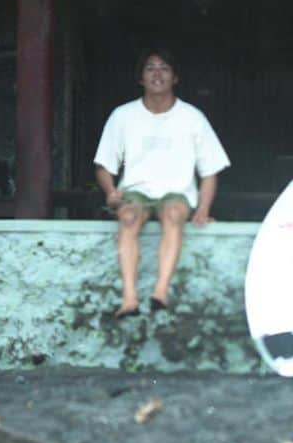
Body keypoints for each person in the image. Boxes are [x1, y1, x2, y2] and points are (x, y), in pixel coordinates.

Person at [94, 48, 230, 318]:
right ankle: (130, 299)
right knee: (129, 216)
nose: (157, 73)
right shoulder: (123, 115)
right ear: (141, 79)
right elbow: (103, 164)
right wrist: (110, 191)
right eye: (150, 68)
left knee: (173, 213)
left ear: (175, 77)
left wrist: (203, 209)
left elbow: (210, 170)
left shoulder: (192, 117)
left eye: (164, 68)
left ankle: (160, 292)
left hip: (176, 193)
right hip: (137, 191)